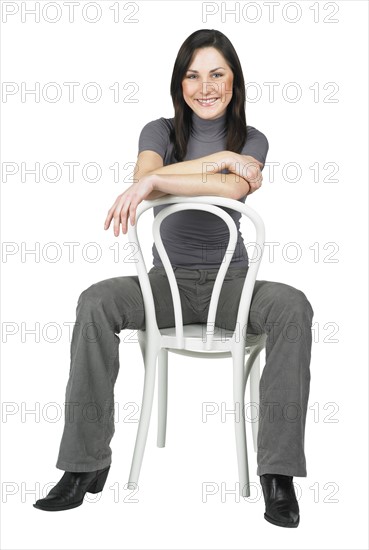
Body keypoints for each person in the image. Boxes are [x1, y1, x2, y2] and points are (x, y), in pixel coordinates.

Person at [33, 29, 314, 528]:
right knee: (96, 300)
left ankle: (278, 476)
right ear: (179, 83)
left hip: (234, 287)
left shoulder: (253, 140)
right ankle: (84, 464)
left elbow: (228, 190)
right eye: (193, 75)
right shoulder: (157, 131)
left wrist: (166, 177)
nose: (205, 86)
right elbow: (147, 180)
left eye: (217, 74)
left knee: (294, 304)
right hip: (165, 286)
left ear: (234, 81)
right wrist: (182, 171)